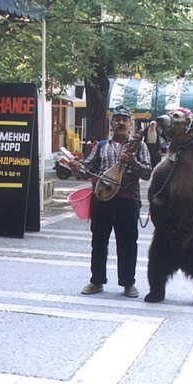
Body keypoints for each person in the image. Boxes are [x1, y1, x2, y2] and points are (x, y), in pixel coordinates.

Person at [69, 105, 152, 298]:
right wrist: (75, 167)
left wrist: (132, 162)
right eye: (117, 119)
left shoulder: (139, 147)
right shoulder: (101, 146)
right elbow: (85, 170)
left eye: (125, 119)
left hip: (127, 201)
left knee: (128, 244)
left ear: (130, 124)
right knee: (98, 242)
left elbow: (147, 173)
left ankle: (128, 283)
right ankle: (96, 281)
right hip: (102, 202)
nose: (121, 122)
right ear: (111, 124)